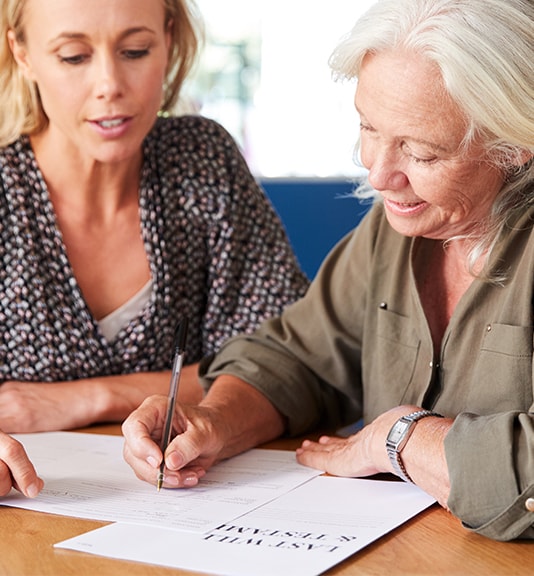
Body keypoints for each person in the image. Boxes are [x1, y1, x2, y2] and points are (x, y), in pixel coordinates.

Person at [122, 0, 534, 541]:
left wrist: (399, 436)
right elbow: (301, 358)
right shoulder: (400, 227)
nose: (380, 173)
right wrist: (215, 418)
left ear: (516, 144)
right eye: (369, 127)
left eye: (421, 153)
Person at [0, 0, 309, 435]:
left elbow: (289, 365)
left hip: (193, 492)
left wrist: (94, 397)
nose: (109, 84)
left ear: (167, 39)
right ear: (23, 54)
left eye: (136, 51)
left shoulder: (202, 162)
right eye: (74, 56)